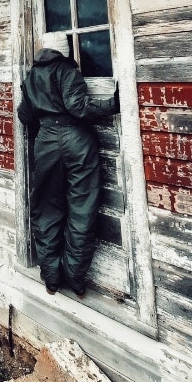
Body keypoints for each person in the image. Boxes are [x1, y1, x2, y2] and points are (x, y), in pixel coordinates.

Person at [17, 31, 119, 297]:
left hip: (46, 141)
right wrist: (114, 103)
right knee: (82, 208)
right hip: (76, 139)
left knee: (47, 209)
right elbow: (78, 107)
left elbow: (25, 116)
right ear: (64, 50)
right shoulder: (65, 69)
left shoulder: (30, 77)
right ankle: (75, 278)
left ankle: (51, 277)